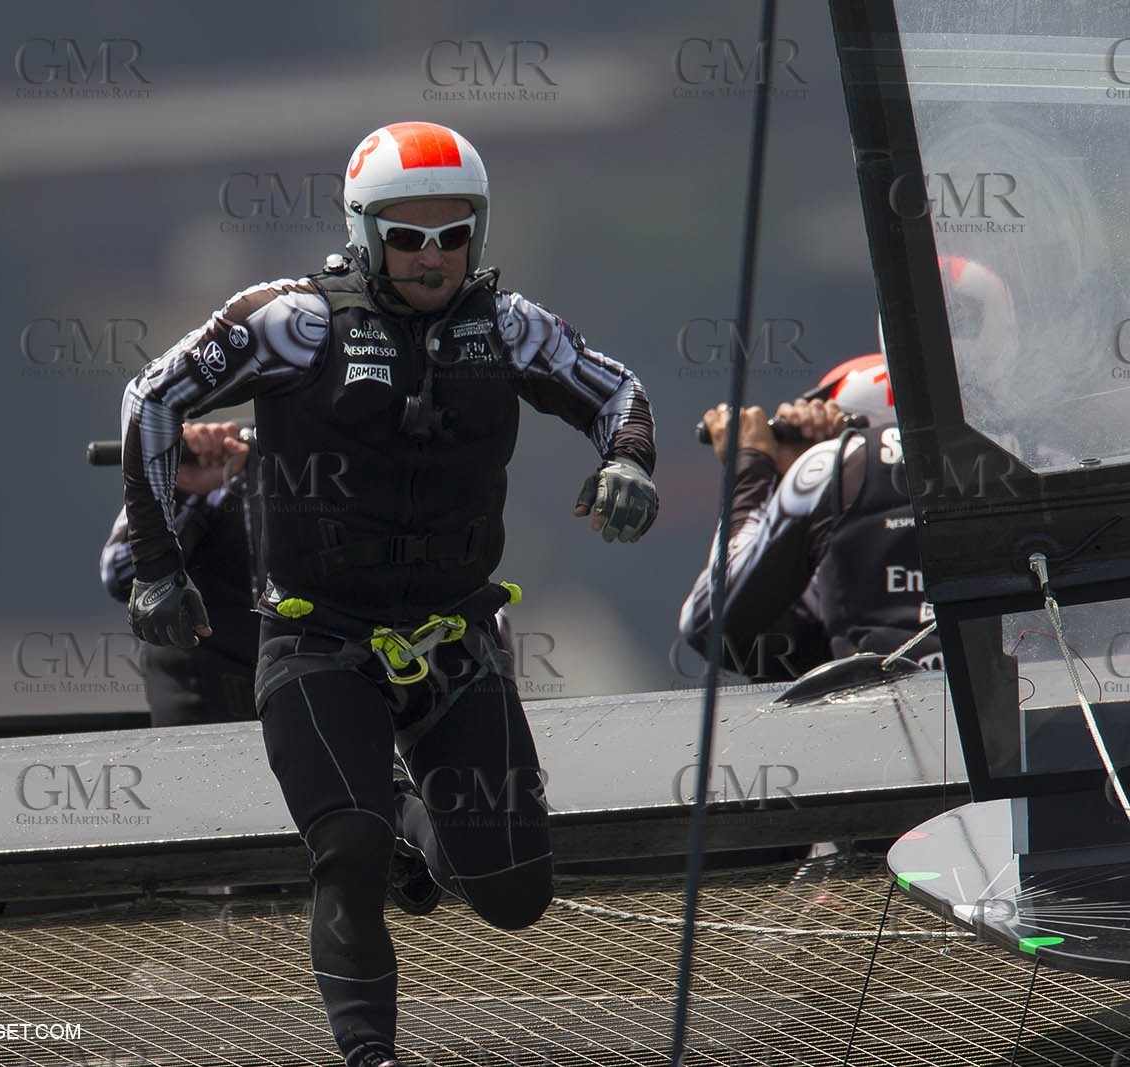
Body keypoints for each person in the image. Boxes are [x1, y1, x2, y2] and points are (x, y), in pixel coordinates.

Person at [119, 122, 658, 1067]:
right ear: (365, 233)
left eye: (454, 233)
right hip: (315, 640)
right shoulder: (293, 320)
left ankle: (412, 816)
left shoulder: (511, 325)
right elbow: (150, 398)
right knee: (349, 851)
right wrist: (161, 566)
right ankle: (370, 1052)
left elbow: (618, 391)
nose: (432, 255)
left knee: (516, 892)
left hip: (457, 642)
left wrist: (630, 463)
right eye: (407, 235)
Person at [679, 353, 943, 681]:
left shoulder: (829, 467)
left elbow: (708, 620)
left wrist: (755, 470)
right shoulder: (997, 463)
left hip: (884, 711)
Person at [101, 420, 259, 726]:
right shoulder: (220, 475)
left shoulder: (344, 474)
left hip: (322, 701)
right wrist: (185, 488)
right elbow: (119, 576)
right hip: (208, 725)